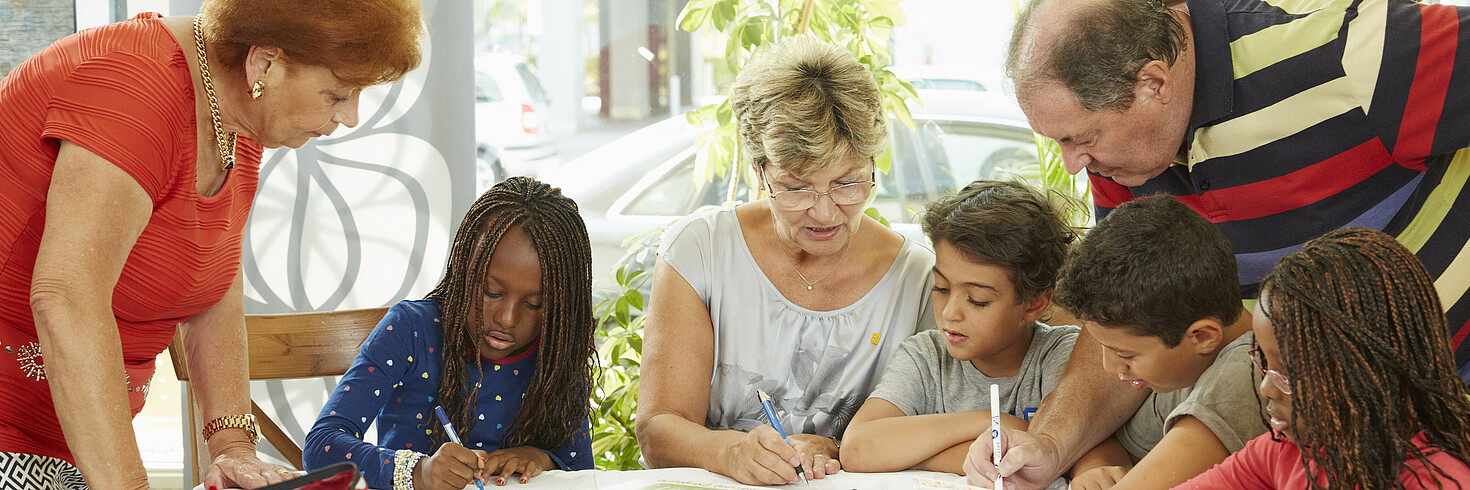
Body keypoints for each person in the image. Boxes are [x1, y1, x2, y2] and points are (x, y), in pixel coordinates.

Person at [966, 0, 1470, 487]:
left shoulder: (1345, 52)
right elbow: (1123, 323)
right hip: (1317, 439)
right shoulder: (1122, 162)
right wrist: (1050, 445)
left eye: (1082, 137)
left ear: (1153, 82)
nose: (1073, 162)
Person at [0, 0, 422, 487]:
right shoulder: (136, 87)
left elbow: (213, 276)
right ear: (265, 63)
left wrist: (232, 446)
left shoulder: (233, 113)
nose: (350, 116)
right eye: (337, 94)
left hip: (58, 448)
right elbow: (66, 298)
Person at [634, 35, 938, 486]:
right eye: (796, 187)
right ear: (758, 170)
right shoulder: (700, 251)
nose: (824, 211)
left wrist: (836, 449)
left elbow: (932, 433)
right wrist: (730, 452)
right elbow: (659, 429)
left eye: (848, 183)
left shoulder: (919, 280)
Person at [303, 177, 597, 490]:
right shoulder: (411, 329)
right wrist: (419, 471)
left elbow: (582, 471)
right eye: (491, 292)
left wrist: (540, 457)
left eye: (534, 304)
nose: (507, 318)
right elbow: (322, 446)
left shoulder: (556, 354)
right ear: (461, 267)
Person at [1181, 228, 1470, 488]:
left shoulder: (1438, 480)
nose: (1266, 388)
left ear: (1369, 373)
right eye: (1266, 364)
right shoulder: (1288, 452)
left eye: (1290, 373)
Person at [840, 180, 1082, 475]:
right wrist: (992, 421)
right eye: (941, 288)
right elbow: (857, 449)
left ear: (1034, 304)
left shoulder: (1063, 355)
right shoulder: (926, 356)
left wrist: (914, 456)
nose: (950, 313)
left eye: (978, 300)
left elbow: (1093, 452)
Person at [1030, 196, 1267, 490]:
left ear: (1203, 336)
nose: (1110, 366)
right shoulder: (1179, 366)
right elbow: (1116, 441)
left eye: (1124, 353)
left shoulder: (1248, 372)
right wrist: (1096, 467)